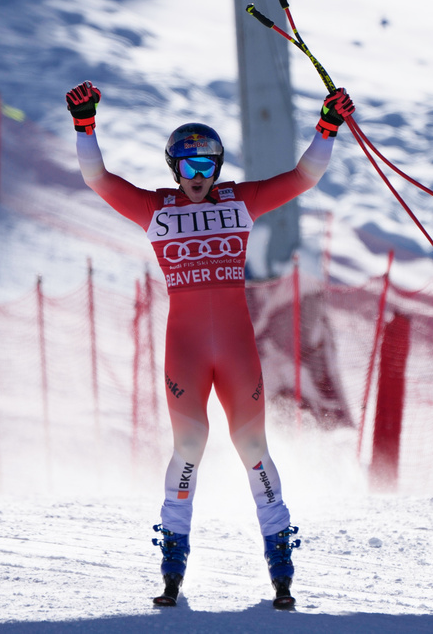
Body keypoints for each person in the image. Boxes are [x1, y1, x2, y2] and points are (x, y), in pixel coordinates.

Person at [66, 80, 354, 608]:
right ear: (175, 170)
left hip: (237, 349)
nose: (199, 178)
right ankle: (172, 560)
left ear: (218, 169)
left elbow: (303, 177)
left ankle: (280, 558)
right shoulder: (155, 209)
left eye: (208, 167)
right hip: (188, 349)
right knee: (190, 447)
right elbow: (98, 179)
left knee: (252, 448)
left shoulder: (239, 201)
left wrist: (327, 128)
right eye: (189, 168)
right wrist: (85, 127)